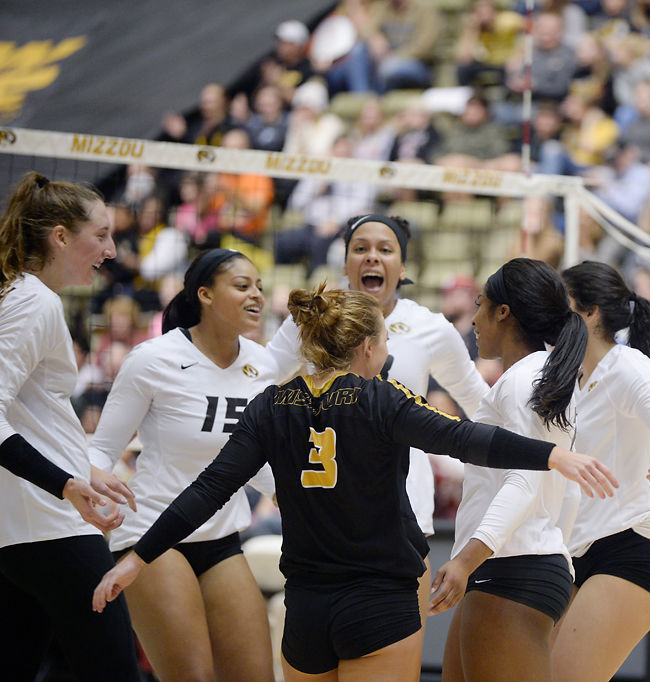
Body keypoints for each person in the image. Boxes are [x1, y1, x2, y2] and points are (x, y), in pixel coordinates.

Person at [93, 284, 617, 682]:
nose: (388, 354)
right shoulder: (381, 397)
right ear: (366, 345)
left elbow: (206, 490)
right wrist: (552, 456)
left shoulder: (269, 406)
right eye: (385, 342)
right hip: (378, 602)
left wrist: (139, 557)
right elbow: (468, 440)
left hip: (307, 607)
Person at [88, 249, 302, 682]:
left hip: (221, 535)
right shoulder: (153, 360)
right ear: (204, 294)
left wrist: (294, 495)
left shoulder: (261, 365)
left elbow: (248, 459)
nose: (256, 295)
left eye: (259, 287)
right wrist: (93, 493)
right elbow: (99, 451)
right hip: (152, 533)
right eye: (242, 286)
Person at [269, 214, 490, 616]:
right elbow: (256, 397)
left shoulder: (429, 328)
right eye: (361, 248)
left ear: (402, 268)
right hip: (325, 506)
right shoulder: (309, 322)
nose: (372, 257)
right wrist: (274, 482)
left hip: (402, 510)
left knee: (393, 645)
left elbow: (481, 405)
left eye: (385, 250)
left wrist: (534, 450)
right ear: (345, 264)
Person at [0, 172, 140, 680]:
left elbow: (25, 413)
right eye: (100, 235)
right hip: (51, 525)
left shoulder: (21, 295)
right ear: (61, 236)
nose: (110, 249)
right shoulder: (34, 301)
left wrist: (80, 463)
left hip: (23, 530)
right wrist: (64, 481)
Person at [434, 258, 589, 682]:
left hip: (511, 569)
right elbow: (567, 490)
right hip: (513, 565)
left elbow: (526, 479)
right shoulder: (539, 376)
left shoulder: (525, 380)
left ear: (503, 312)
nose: (475, 321)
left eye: (481, 305)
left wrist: (465, 561)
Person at [551, 261, 650, 681]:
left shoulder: (628, 366)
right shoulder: (568, 375)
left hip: (627, 551)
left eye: (561, 303)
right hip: (572, 553)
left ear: (590, 312)